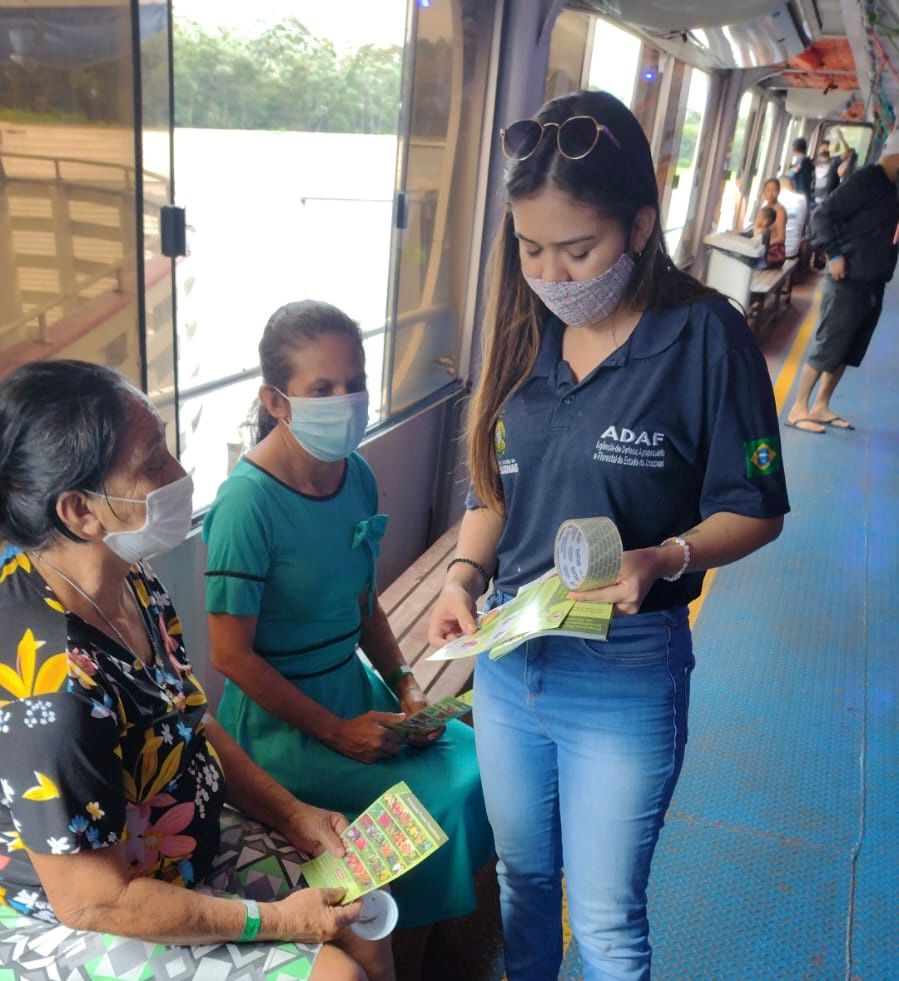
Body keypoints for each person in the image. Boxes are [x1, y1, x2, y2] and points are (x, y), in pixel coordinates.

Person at [427, 89, 789, 981]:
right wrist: (461, 577)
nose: (551, 273)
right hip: (512, 658)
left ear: (637, 226)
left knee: (605, 920)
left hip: (625, 669)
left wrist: (668, 555)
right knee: (522, 880)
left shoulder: (705, 337)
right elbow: (494, 486)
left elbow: (758, 506)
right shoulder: (523, 334)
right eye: (530, 247)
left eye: (576, 248)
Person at [0, 359, 394, 981]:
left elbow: (189, 719)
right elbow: (92, 899)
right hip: (92, 912)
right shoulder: (50, 685)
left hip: (184, 845)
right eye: (153, 462)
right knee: (335, 974)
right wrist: (279, 922)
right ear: (80, 511)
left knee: (363, 913)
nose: (179, 474)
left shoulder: (131, 581)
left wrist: (293, 813)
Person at [202, 301, 498, 981]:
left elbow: (364, 604)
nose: (346, 401)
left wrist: (407, 685)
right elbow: (229, 656)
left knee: (479, 756)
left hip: (353, 688)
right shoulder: (246, 504)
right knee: (437, 797)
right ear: (275, 401)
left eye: (354, 382)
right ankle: (404, 946)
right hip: (284, 723)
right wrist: (338, 731)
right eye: (321, 389)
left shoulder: (355, 474)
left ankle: (432, 934)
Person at [786, 130, 899, 433]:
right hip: (848, 278)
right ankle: (798, 408)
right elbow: (823, 214)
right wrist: (834, 254)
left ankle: (821, 405)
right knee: (829, 343)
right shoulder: (867, 181)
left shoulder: (893, 188)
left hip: (873, 280)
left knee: (849, 348)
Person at [755, 178, 787, 267]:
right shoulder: (763, 208)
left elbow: (781, 238)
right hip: (763, 248)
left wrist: (764, 245)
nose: (771, 193)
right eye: (768, 190)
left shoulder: (780, 211)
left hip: (775, 253)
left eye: (774, 190)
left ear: (779, 192)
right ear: (764, 192)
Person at [778, 172, 809, 261]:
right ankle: (804, 265)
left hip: (773, 252)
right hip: (792, 251)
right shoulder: (802, 199)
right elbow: (804, 225)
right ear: (793, 185)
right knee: (805, 232)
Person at [788, 136, 814, 206]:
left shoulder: (801, 161)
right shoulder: (808, 161)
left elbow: (790, 176)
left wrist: (790, 169)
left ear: (794, 149)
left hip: (800, 197)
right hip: (805, 195)